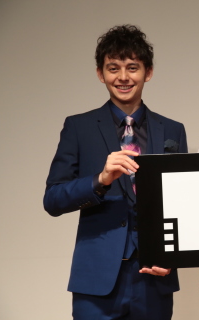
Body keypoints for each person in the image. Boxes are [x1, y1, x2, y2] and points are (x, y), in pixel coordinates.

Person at [43, 25, 187, 319]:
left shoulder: (172, 130)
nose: (123, 77)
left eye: (133, 67)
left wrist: (174, 256)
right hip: (96, 281)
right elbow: (53, 199)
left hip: (154, 278)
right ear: (100, 73)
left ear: (148, 72)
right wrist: (100, 180)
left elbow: (183, 205)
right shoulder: (79, 127)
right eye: (113, 68)